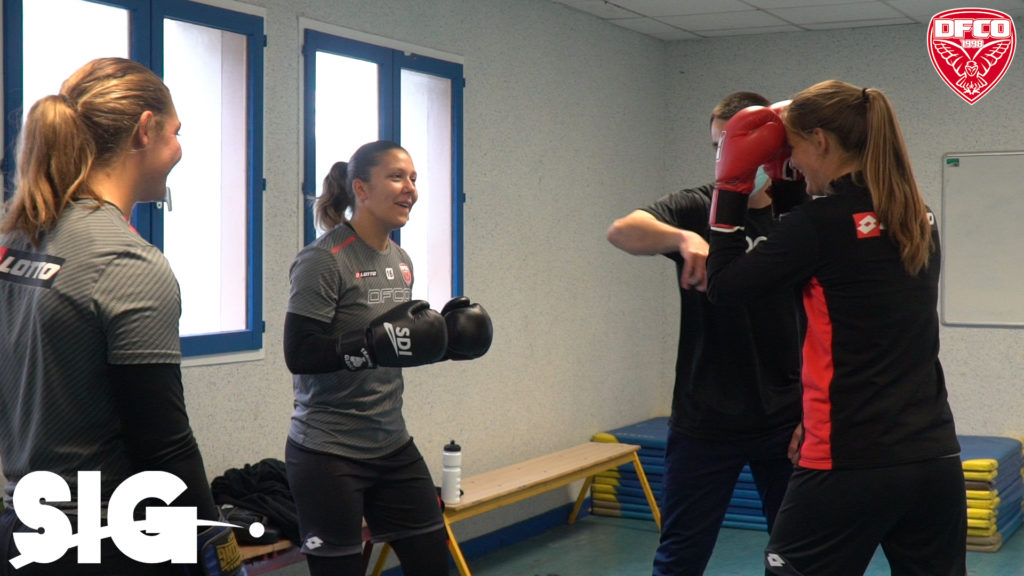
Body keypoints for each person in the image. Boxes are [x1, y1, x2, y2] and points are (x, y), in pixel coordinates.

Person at [706, 80, 965, 575]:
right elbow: (821, 255)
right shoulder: (917, 215)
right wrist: (784, 183)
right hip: (933, 459)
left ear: (821, 141)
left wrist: (731, 191)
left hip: (848, 464)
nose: (795, 161)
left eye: (796, 150)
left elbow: (726, 287)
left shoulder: (819, 225)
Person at [0, 58, 242, 575]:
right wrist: (215, 544)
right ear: (145, 130)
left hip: (23, 527)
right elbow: (164, 442)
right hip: (108, 539)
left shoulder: (17, 242)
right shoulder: (126, 260)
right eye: (176, 133)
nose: (180, 149)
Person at [606, 91, 804, 576]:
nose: (725, 157)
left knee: (796, 557)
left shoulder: (796, 212)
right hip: (705, 419)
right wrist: (681, 236)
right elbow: (622, 231)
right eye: (718, 146)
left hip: (785, 417)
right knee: (680, 558)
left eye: (734, 143)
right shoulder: (701, 206)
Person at [283, 141, 492, 576]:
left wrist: (445, 346)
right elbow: (299, 352)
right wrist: (369, 344)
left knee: (434, 565)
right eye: (397, 177)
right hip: (329, 453)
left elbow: (396, 344)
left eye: (414, 178)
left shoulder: (401, 261)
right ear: (360, 187)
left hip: (391, 445)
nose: (410, 188)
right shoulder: (323, 259)